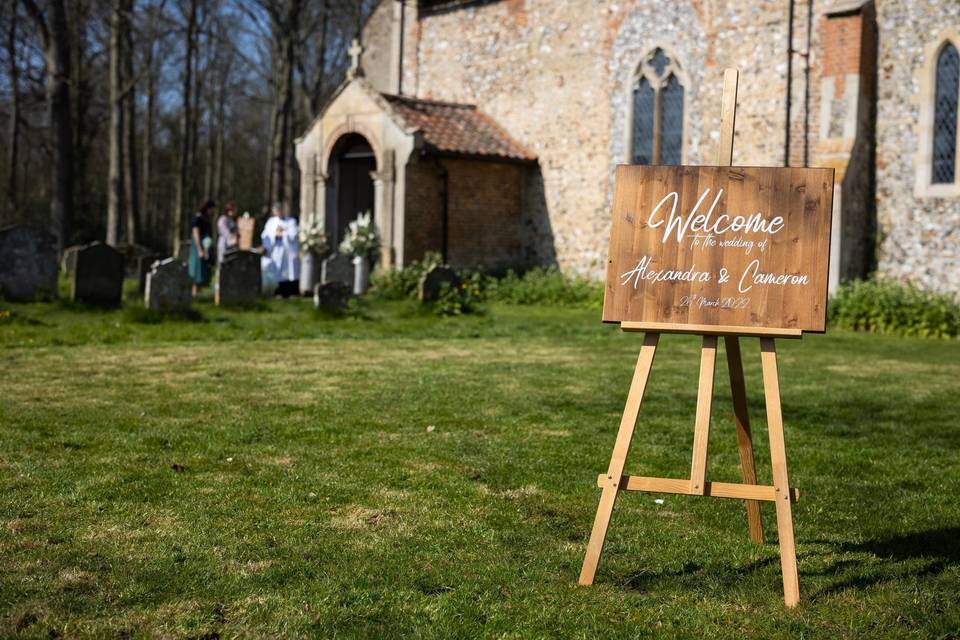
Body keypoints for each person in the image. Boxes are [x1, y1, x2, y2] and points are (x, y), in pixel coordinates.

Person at [261, 201, 300, 297]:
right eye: (276, 210)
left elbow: (294, 235)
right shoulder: (271, 222)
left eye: (280, 210)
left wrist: (283, 233)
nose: (278, 212)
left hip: (287, 251)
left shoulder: (291, 221)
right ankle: (276, 290)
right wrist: (275, 234)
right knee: (276, 270)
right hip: (275, 250)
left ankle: (289, 291)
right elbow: (265, 235)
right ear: (274, 211)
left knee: (289, 271)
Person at [188, 199, 216, 296]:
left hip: (205, 245)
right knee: (197, 269)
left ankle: (198, 294)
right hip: (198, 246)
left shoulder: (206, 217)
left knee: (203, 269)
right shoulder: (198, 218)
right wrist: (199, 248)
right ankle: (193, 292)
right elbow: (196, 233)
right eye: (212, 209)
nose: (212, 211)